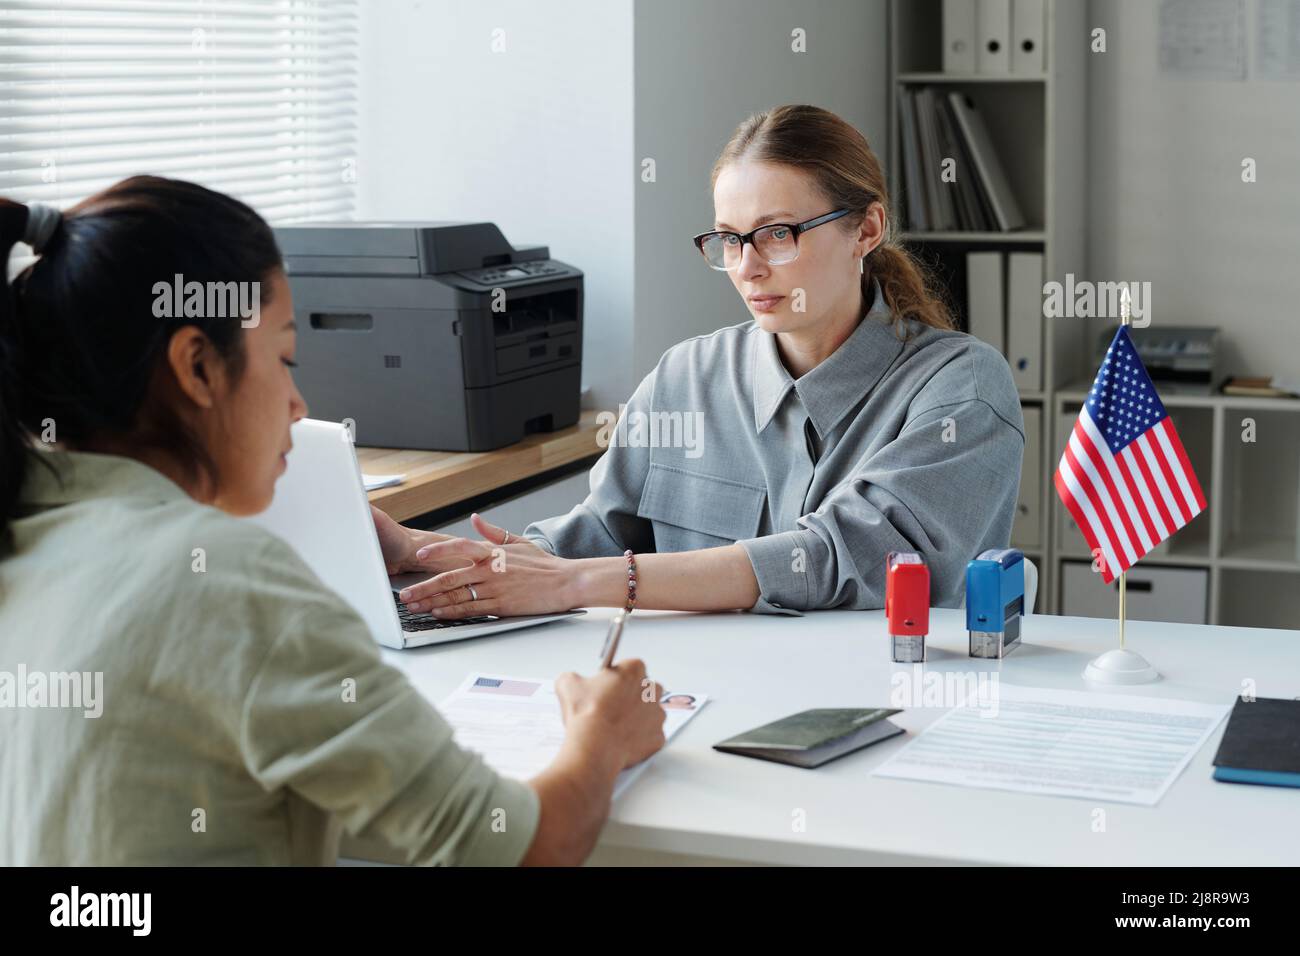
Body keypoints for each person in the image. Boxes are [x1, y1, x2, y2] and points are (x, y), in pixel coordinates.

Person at [0, 177, 665, 865]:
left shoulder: (25, 531)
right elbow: (525, 846)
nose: (297, 402)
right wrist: (602, 733)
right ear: (197, 366)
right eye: (284, 359)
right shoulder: (228, 580)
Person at [395, 105, 1025, 619]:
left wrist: (575, 584)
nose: (747, 266)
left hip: (887, 715)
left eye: (779, 233)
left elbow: (836, 558)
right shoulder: (682, 378)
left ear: (865, 231)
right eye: (729, 238)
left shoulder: (962, 389)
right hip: (697, 708)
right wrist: (424, 554)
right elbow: (593, 542)